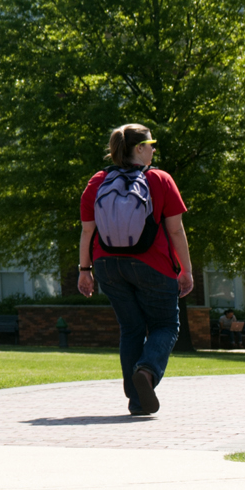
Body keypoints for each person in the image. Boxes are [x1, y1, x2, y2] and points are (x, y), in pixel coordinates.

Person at [77, 124, 194, 416]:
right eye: (150, 144)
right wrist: (186, 270)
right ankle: (147, 371)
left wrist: (84, 270)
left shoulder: (97, 181)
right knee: (165, 326)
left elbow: (87, 232)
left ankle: (138, 401)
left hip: (107, 265)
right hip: (152, 265)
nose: (154, 149)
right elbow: (176, 231)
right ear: (138, 149)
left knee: (130, 329)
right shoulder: (160, 179)